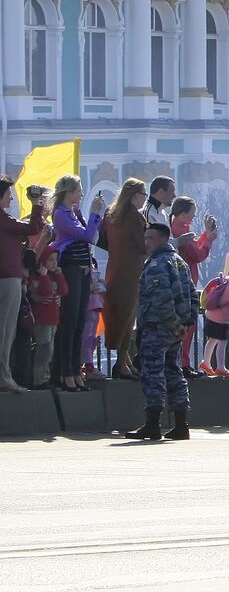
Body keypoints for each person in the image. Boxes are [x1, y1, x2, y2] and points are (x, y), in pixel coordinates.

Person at [122, 222, 195, 441]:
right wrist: (185, 323)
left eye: (151, 238)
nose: (147, 243)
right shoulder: (180, 262)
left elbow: (161, 297)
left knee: (153, 374)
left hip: (157, 326)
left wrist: (173, 322)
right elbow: (192, 294)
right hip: (175, 330)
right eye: (146, 238)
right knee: (174, 372)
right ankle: (181, 424)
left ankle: (153, 423)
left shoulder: (157, 264)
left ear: (164, 238)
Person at [51, 175, 105, 392]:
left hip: (83, 272)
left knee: (80, 323)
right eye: (78, 191)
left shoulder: (74, 213)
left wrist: (88, 215)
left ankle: (75, 369)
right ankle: (65, 372)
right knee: (70, 322)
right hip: (71, 269)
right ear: (68, 193)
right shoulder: (61, 215)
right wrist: (94, 213)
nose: (81, 194)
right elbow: (89, 236)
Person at [0, 177, 46, 393]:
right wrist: (36, 204)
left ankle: (5, 376)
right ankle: (4, 378)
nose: (11, 196)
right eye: (8, 193)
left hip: (9, 279)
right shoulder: (3, 218)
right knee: (5, 331)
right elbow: (33, 227)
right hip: (7, 279)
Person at [101, 178, 149, 380]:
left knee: (116, 314)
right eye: (143, 195)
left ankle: (124, 361)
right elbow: (142, 246)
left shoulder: (111, 215)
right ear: (134, 195)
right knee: (128, 317)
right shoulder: (136, 219)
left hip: (114, 269)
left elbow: (103, 240)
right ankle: (122, 363)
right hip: (131, 272)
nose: (145, 199)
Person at [169, 196, 217, 377]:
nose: (194, 217)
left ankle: (182, 362)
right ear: (182, 214)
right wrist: (209, 239)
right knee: (187, 327)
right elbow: (196, 254)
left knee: (187, 326)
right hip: (184, 283)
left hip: (186, 282)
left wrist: (205, 234)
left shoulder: (180, 228)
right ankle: (183, 363)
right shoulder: (178, 231)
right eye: (192, 213)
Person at [27, 245, 66, 389]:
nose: (54, 263)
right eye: (50, 260)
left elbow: (64, 290)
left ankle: (46, 377)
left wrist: (60, 274)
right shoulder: (37, 278)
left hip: (53, 320)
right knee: (43, 349)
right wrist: (43, 276)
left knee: (49, 350)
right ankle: (39, 379)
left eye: (56, 260)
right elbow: (47, 292)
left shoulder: (54, 276)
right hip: (42, 320)